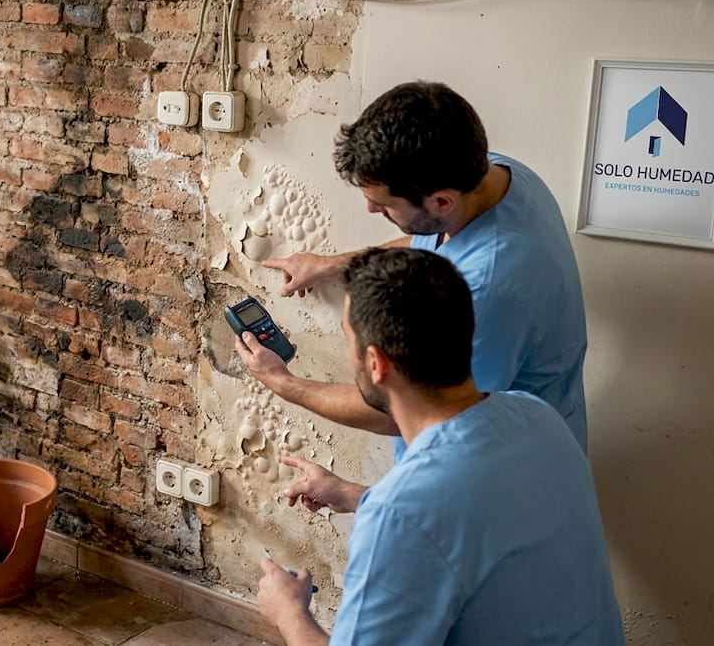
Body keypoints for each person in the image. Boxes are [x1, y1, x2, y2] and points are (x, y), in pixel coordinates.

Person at [254, 248, 623, 645]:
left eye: (348, 339)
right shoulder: (537, 417)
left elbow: (420, 516)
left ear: (376, 364)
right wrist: (351, 495)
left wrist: (288, 612)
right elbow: (465, 519)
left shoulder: (401, 514)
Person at [237, 81, 589, 452]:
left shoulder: (488, 290)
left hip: (496, 470)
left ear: (440, 202)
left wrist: (282, 383)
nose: (372, 210)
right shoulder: (488, 173)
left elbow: (405, 409)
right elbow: (433, 240)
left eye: (384, 205)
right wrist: (334, 265)